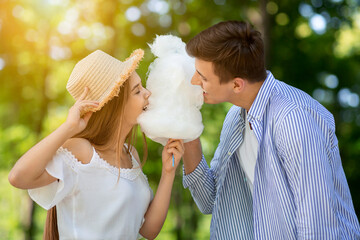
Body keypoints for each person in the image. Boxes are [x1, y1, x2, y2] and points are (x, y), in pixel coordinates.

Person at [182, 20, 360, 239]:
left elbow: (317, 228)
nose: (193, 80)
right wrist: (186, 130)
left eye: (203, 76)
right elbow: (210, 200)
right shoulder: (235, 117)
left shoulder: (293, 120)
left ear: (237, 85)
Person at [8, 49, 184, 240]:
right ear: (115, 105)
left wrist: (168, 172)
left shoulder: (130, 154)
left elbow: (148, 231)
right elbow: (18, 177)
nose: (148, 93)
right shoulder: (82, 151)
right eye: (137, 90)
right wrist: (68, 128)